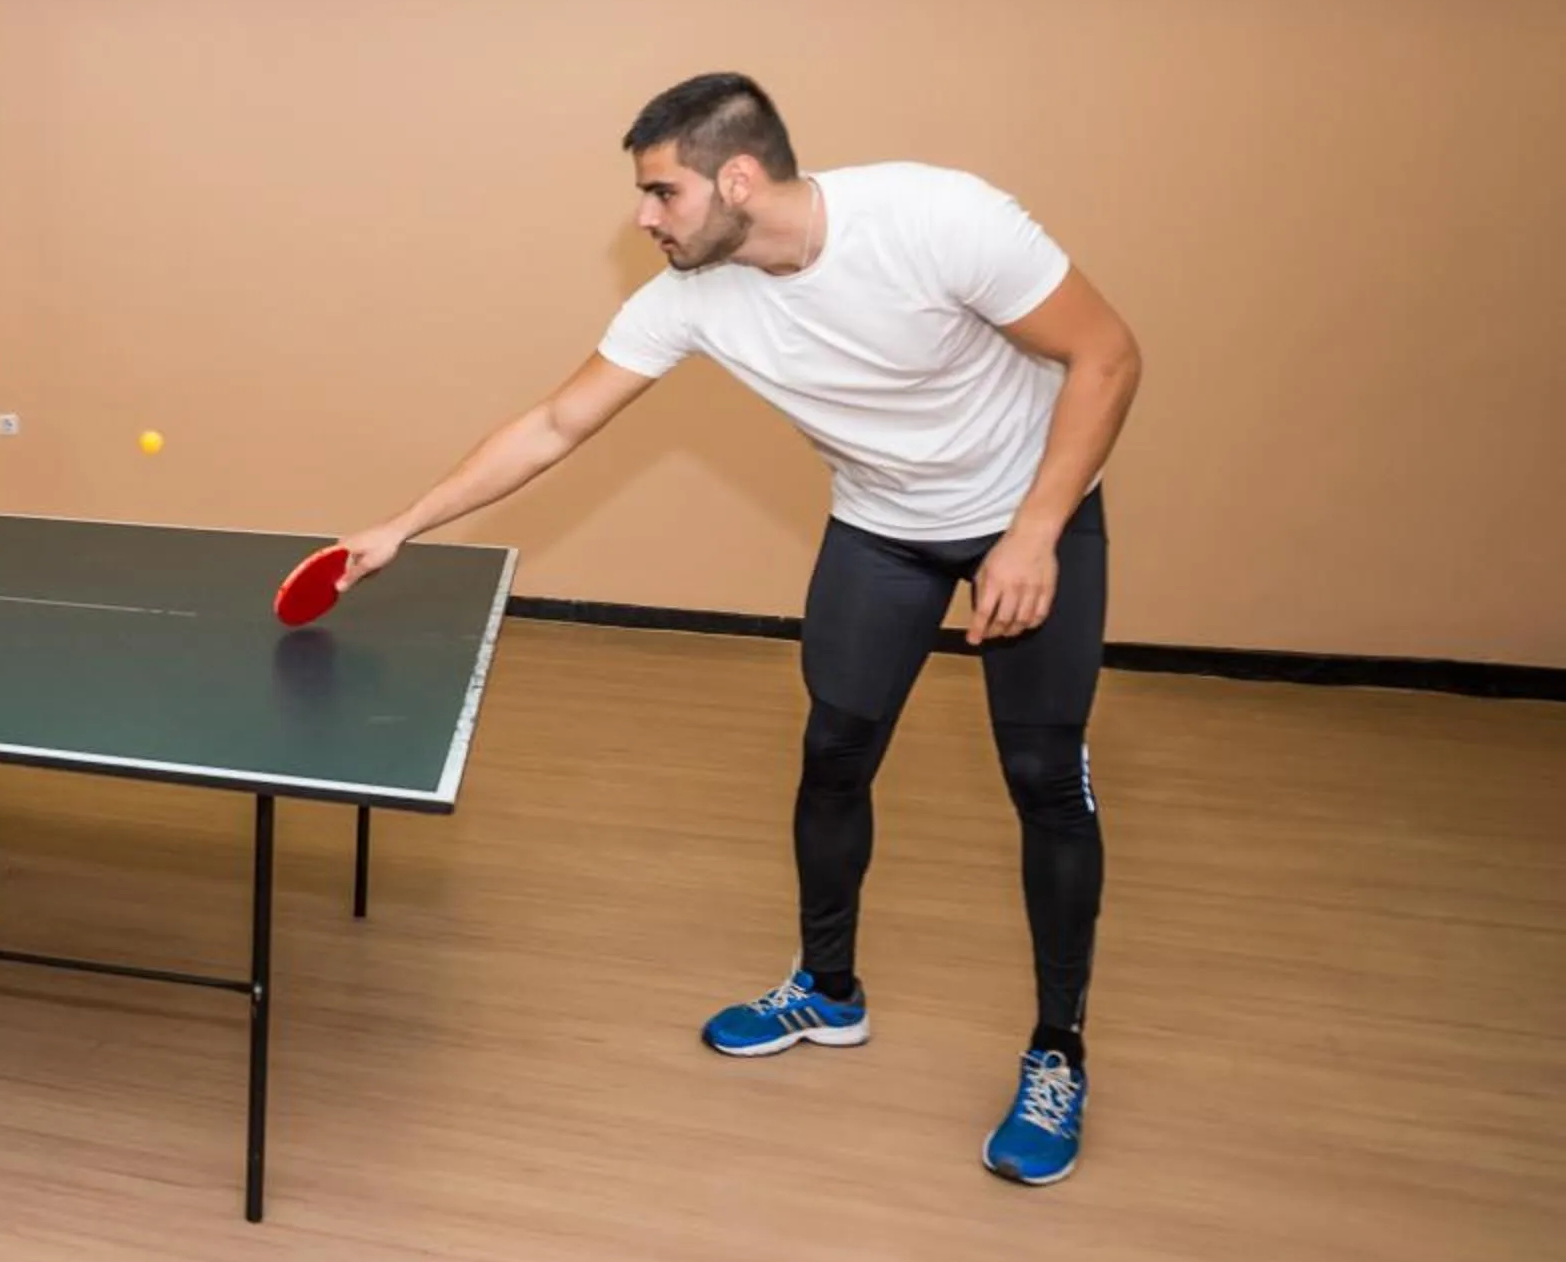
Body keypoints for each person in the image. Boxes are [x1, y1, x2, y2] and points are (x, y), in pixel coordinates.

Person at [335, 73, 1142, 1186]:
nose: (643, 216)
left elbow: (1106, 355)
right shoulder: (692, 299)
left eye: (659, 191)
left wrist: (1036, 530)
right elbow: (556, 421)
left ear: (738, 177)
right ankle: (827, 988)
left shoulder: (938, 218)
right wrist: (402, 526)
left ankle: (1058, 1047)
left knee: (1045, 776)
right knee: (833, 753)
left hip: (1031, 510)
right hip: (882, 529)